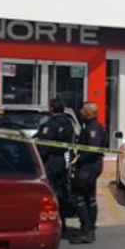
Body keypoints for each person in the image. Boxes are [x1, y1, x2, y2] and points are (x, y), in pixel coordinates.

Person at [34, 98, 75, 232]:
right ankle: (62, 221)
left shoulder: (50, 125)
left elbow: (43, 146)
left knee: (49, 192)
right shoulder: (68, 123)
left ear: (52, 108)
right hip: (62, 159)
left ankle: (51, 222)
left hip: (50, 161)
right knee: (61, 191)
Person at [69, 102, 107, 244]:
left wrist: (78, 160)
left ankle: (87, 230)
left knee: (79, 197)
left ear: (88, 112)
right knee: (89, 197)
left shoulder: (93, 127)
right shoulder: (91, 126)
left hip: (89, 167)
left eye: (82, 110)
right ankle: (89, 228)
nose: (80, 112)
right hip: (91, 166)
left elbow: (93, 149)